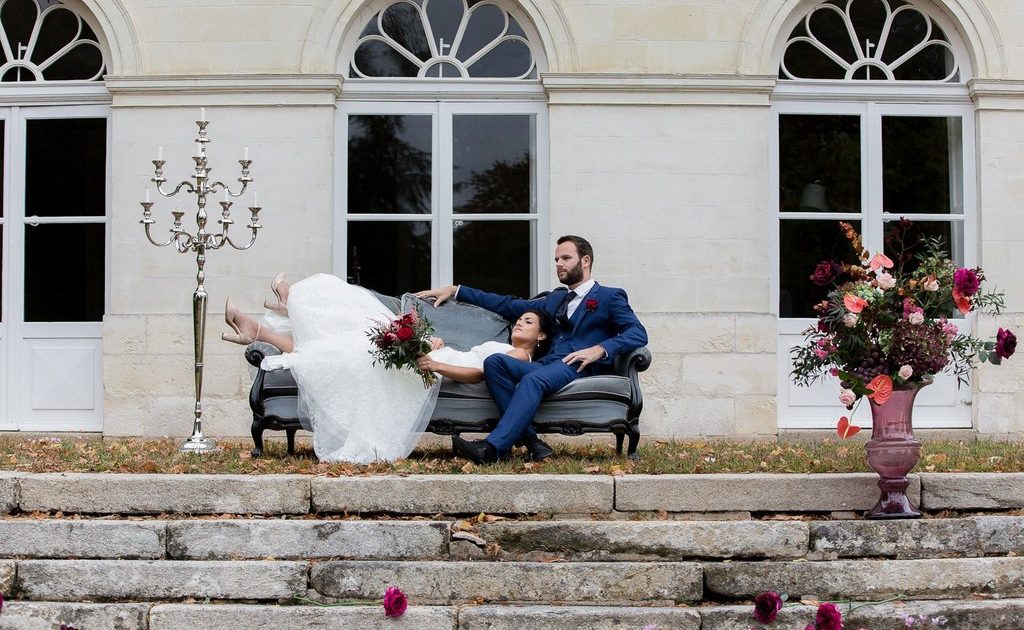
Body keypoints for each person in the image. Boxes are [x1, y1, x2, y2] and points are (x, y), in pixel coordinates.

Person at [221, 273, 552, 463]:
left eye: (528, 322)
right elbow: (469, 357)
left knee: (352, 349)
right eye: (520, 319)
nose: (520, 323)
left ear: (541, 336)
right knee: (350, 346)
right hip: (438, 357)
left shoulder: (520, 358)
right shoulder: (502, 344)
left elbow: (478, 373)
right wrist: (439, 346)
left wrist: (434, 362)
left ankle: (284, 311)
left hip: (435, 369)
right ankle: (279, 315)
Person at [416, 234, 648, 464]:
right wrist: (457, 290)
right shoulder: (555, 300)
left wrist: (599, 349)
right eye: (556, 259)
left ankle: (491, 448)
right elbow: (508, 304)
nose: (558, 264)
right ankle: (532, 442)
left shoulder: (609, 296)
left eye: (565, 258)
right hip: (547, 365)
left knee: (534, 379)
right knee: (495, 362)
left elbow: (638, 333)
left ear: (585, 261)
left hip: (579, 364)